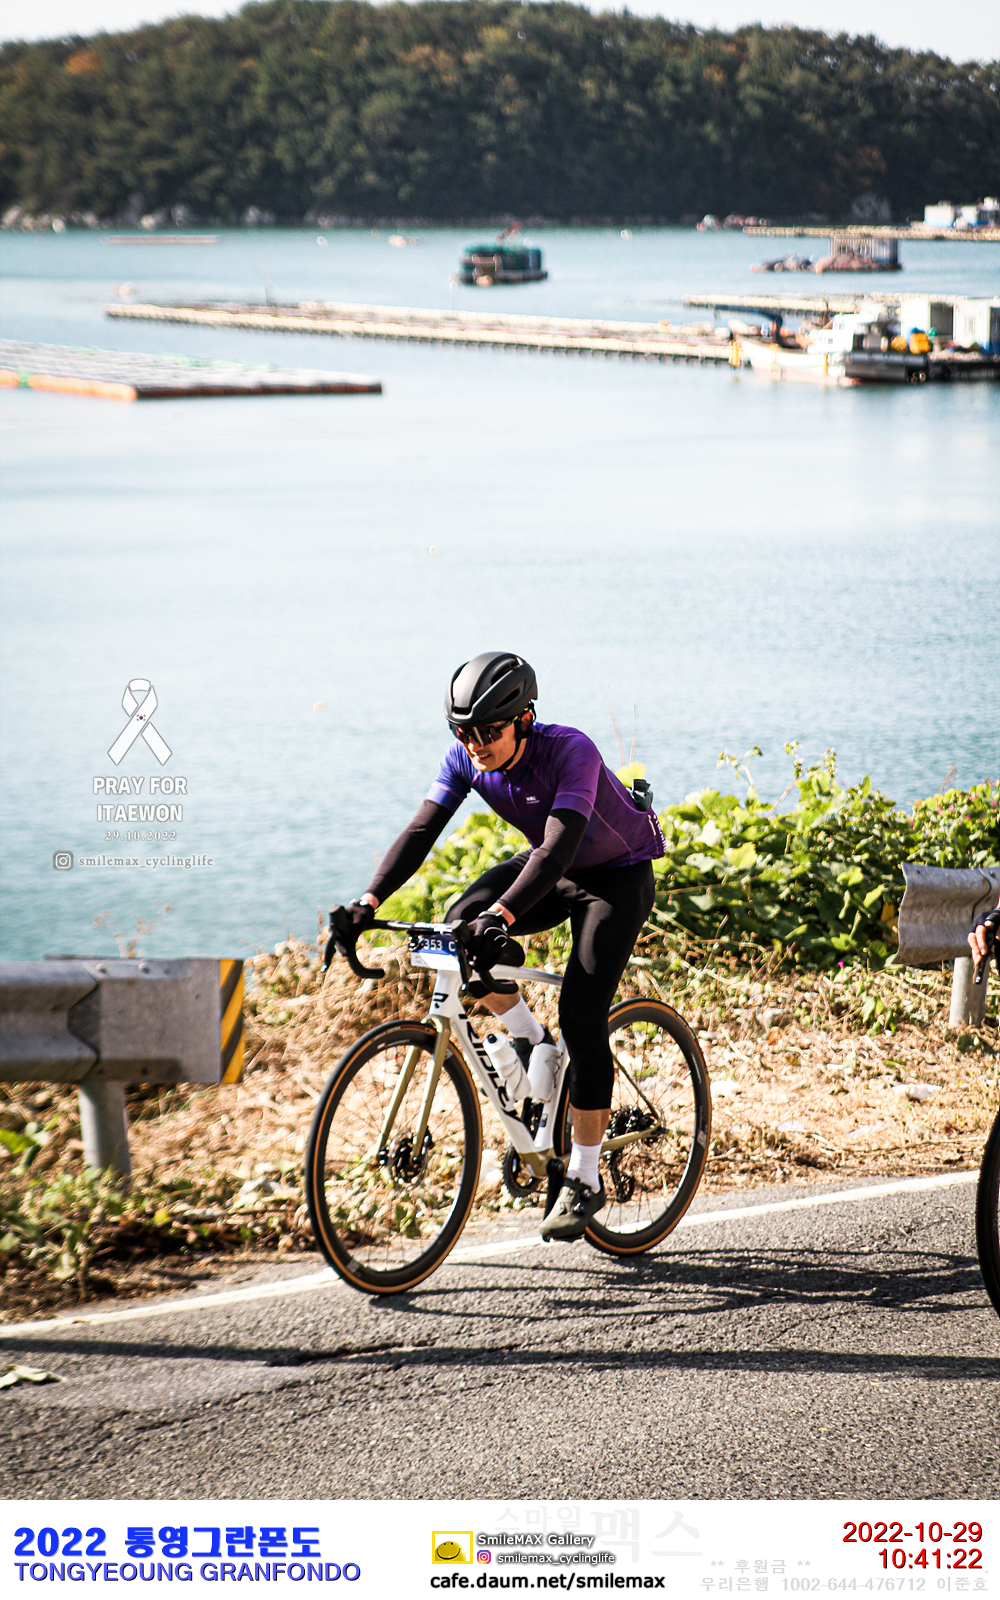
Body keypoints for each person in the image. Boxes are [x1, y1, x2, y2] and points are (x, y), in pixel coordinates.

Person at [337, 651, 665, 1241]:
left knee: (582, 1014)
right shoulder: (466, 758)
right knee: (457, 926)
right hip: (550, 866)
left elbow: (558, 848)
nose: (475, 744)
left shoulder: (571, 750)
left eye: (489, 731)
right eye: (463, 732)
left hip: (615, 876)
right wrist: (368, 900)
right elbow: (422, 830)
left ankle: (584, 1175)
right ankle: (531, 1038)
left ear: (524, 719)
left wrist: (502, 915)